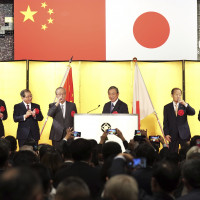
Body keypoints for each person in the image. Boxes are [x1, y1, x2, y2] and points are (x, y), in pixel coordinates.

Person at [163, 88, 195, 153]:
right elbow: (165, 122)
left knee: (186, 152)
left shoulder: (184, 106)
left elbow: (193, 112)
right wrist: (166, 134)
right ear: (172, 95)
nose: (178, 96)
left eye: (180, 95)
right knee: (173, 153)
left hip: (184, 134)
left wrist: (185, 104)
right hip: (172, 135)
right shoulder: (167, 107)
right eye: (176, 94)